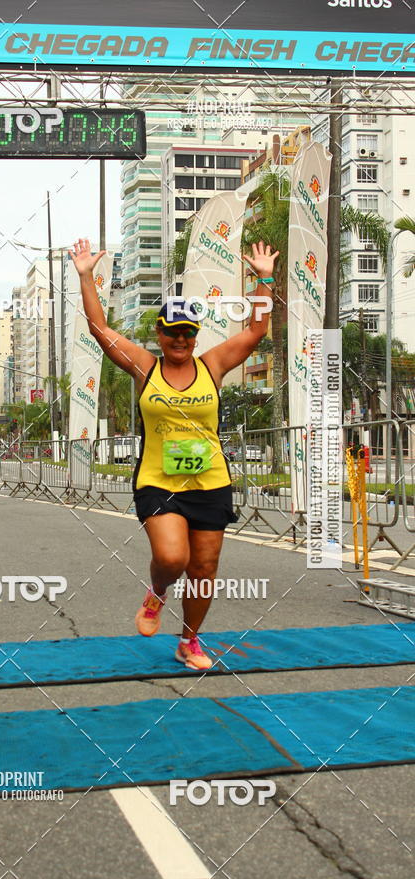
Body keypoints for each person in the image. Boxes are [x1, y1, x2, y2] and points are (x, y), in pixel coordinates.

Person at [70, 238, 279, 671]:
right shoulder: (144, 366)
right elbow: (99, 329)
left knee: (203, 569)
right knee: (172, 558)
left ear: (194, 336)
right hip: (158, 481)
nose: (180, 339)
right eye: (172, 331)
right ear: (160, 335)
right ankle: (158, 590)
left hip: (210, 482)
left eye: (187, 332)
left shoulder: (213, 365)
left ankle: (190, 641)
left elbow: (257, 330)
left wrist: (264, 278)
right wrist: (87, 275)